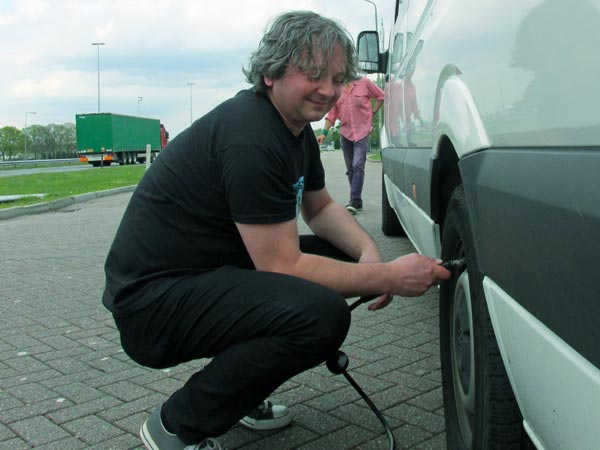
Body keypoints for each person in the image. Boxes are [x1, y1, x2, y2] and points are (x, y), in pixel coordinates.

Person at [102, 10, 450, 450]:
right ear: (271, 72)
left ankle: (240, 392)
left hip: (207, 275)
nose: (328, 90)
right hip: (153, 306)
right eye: (313, 73)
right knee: (321, 316)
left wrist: (369, 254)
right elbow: (281, 265)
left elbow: (320, 207)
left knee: (341, 260)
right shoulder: (251, 139)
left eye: (338, 78)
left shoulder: (295, 130)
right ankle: (176, 426)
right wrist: (390, 278)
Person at [317, 76, 384, 214]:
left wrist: (372, 112)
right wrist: (324, 133)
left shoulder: (364, 83)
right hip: (346, 134)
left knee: (357, 165)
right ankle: (357, 200)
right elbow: (332, 114)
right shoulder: (337, 89)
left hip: (362, 132)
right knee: (351, 169)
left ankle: (353, 200)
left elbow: (381, 96)